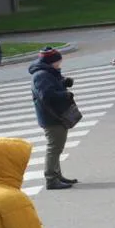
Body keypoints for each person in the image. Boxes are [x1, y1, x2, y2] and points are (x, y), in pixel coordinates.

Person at [30, 50, 77, 189]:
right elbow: (46, 95)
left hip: (55, 115)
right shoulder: (41, 75)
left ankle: (57, 175)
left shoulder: (48, 72)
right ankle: (51, 178)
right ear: (50, 62)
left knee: (57, 147)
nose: (59, 63)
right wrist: (65, 95)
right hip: (51, 117)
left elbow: (53, 85)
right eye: (58, 61)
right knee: (54, 148)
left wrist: (64, 82)